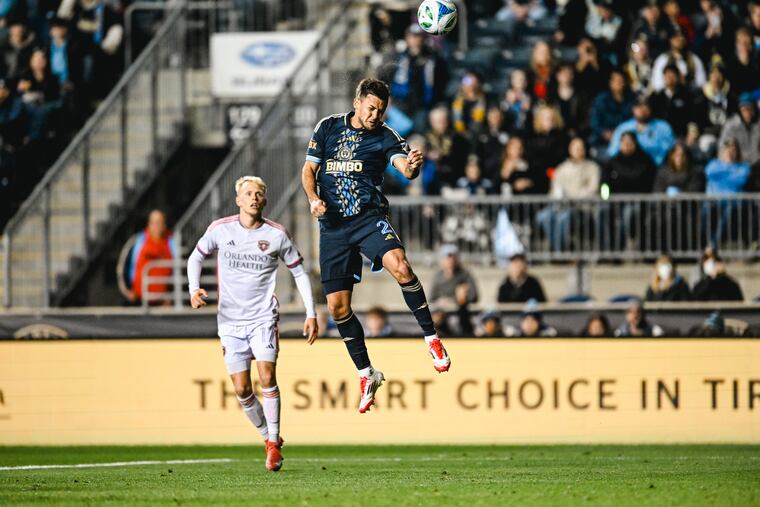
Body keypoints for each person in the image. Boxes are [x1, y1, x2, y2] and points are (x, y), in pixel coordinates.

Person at [301, 78, 451, 414]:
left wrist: (411, 167)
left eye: (381, 110)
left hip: (368, 219)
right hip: (333, 227)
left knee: (402, 266)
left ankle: (431, 339)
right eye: (371, 108)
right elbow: (309, 170)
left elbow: (403, 167)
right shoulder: (327, 128)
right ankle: (367, 373)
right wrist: (312, 199)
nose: (375, 115)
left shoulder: (385, 136)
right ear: (357, 103)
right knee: (337, 309)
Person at [187, 176, 318, 472]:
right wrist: (193, 289)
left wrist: (311, 313)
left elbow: (299, 272)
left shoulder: (277, 234)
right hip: (230, 321)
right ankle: (267, 436)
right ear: (238, 200)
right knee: (242, 389)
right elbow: (195, 257)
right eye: (248, 193)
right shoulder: (221, 229)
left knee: (267, 376)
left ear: (264, 200)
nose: (254, 198)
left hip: (263, 318)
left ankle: (273, 444)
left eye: (258, 193)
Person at [536, 136, 600, 251]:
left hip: (582, 208)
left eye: (580, 148)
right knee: (543, 216)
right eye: (575, 148)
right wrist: (558, 196)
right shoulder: (561, 168)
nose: (578, 150)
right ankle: (558, 249)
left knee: (564, 217)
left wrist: (571, 197)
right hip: (561, 206)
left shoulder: (592, 167)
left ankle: (560, 252)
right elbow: (555, 189)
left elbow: (592, 189)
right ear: (570, 149)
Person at [387, 24, 448, 134]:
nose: (415, 40)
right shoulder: (398, 57)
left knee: (421, 127)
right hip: (400, 103)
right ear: (407, 38)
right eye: (412, 36)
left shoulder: (433, 58)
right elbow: (388, 78)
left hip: (423, 105)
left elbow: (442, 81)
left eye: (418, 36)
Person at [607, 96, 675, 166]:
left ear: (650, 108)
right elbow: (612, 152)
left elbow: (671, 152)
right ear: (633, 109)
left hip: (658, 168)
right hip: (628, 168)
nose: (642, 109)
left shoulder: (663, 127)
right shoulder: (623, 128)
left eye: (645, 105)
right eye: (638, 106)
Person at [127, 209, 176, 304]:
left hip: (163, 301)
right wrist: (130, 289)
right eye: (153, 223)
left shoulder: (171, 242)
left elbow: (177, 270)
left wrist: (171, 295)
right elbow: (129, 265)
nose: (156, 226)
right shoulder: (139, 241)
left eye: (159, 223)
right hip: (140, 299)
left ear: (164, 225)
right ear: (149, 224)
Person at [589, 69, 634, 150]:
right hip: (603, 137)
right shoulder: (601, 99)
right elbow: (594, 121)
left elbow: (633, 121)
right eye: (616, 80)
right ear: (610, 82)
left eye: (621, 80)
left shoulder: (631, 99)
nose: (619, 83)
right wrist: (604, 132)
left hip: (625, 136)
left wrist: (621, 134)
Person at [429, 243, 479, 309]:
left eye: (453, 258)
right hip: (442, 311)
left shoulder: (465, 275)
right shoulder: (438, 277)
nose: (450, 261)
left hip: (460, 310)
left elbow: (474, 296)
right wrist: (440, 301)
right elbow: (431, 299)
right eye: (447, 258)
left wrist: (461, 297)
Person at [718, 92, 760, 165]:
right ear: (739, 110)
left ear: (755, 109)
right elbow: (724, 146)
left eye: (749, 109)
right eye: (743, 110)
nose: (747, 113)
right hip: (736, 165)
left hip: (757, 164)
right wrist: (728, 154)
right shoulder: (732, 125)